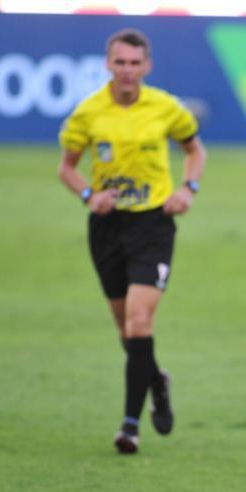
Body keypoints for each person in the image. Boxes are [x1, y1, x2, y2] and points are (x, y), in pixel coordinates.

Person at [57, 28, 207, 454]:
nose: (126, 70)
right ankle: (156, 380)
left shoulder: (165, 108)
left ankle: (129, 426)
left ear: (147, 66)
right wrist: (88, 194)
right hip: (107, 228)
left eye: (134, 63)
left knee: (140, 322)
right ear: (108, 64)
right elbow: (66, 167)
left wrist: (187, 189)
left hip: (153, 225)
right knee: (127, 332)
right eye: (119, 62)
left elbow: (195, 151)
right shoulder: (88, 113)